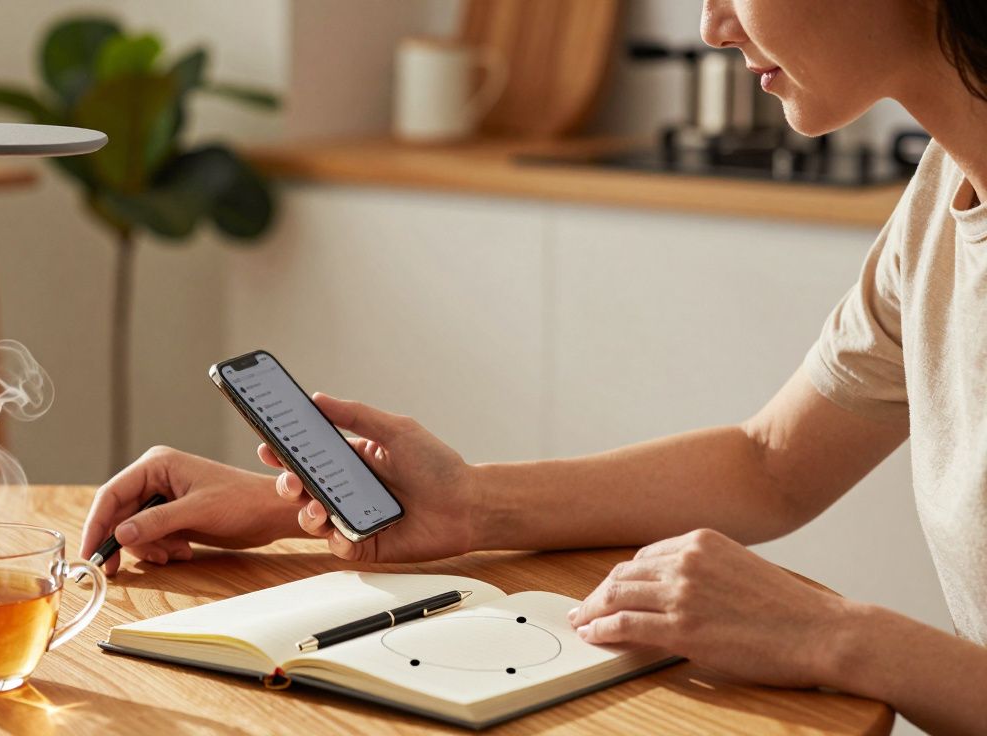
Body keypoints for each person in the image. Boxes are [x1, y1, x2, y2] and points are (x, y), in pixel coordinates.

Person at [82, 1, 987, 732]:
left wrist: (835, 638)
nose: (713, 25)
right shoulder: (940, 199)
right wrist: (462, 503)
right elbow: (770, 465)